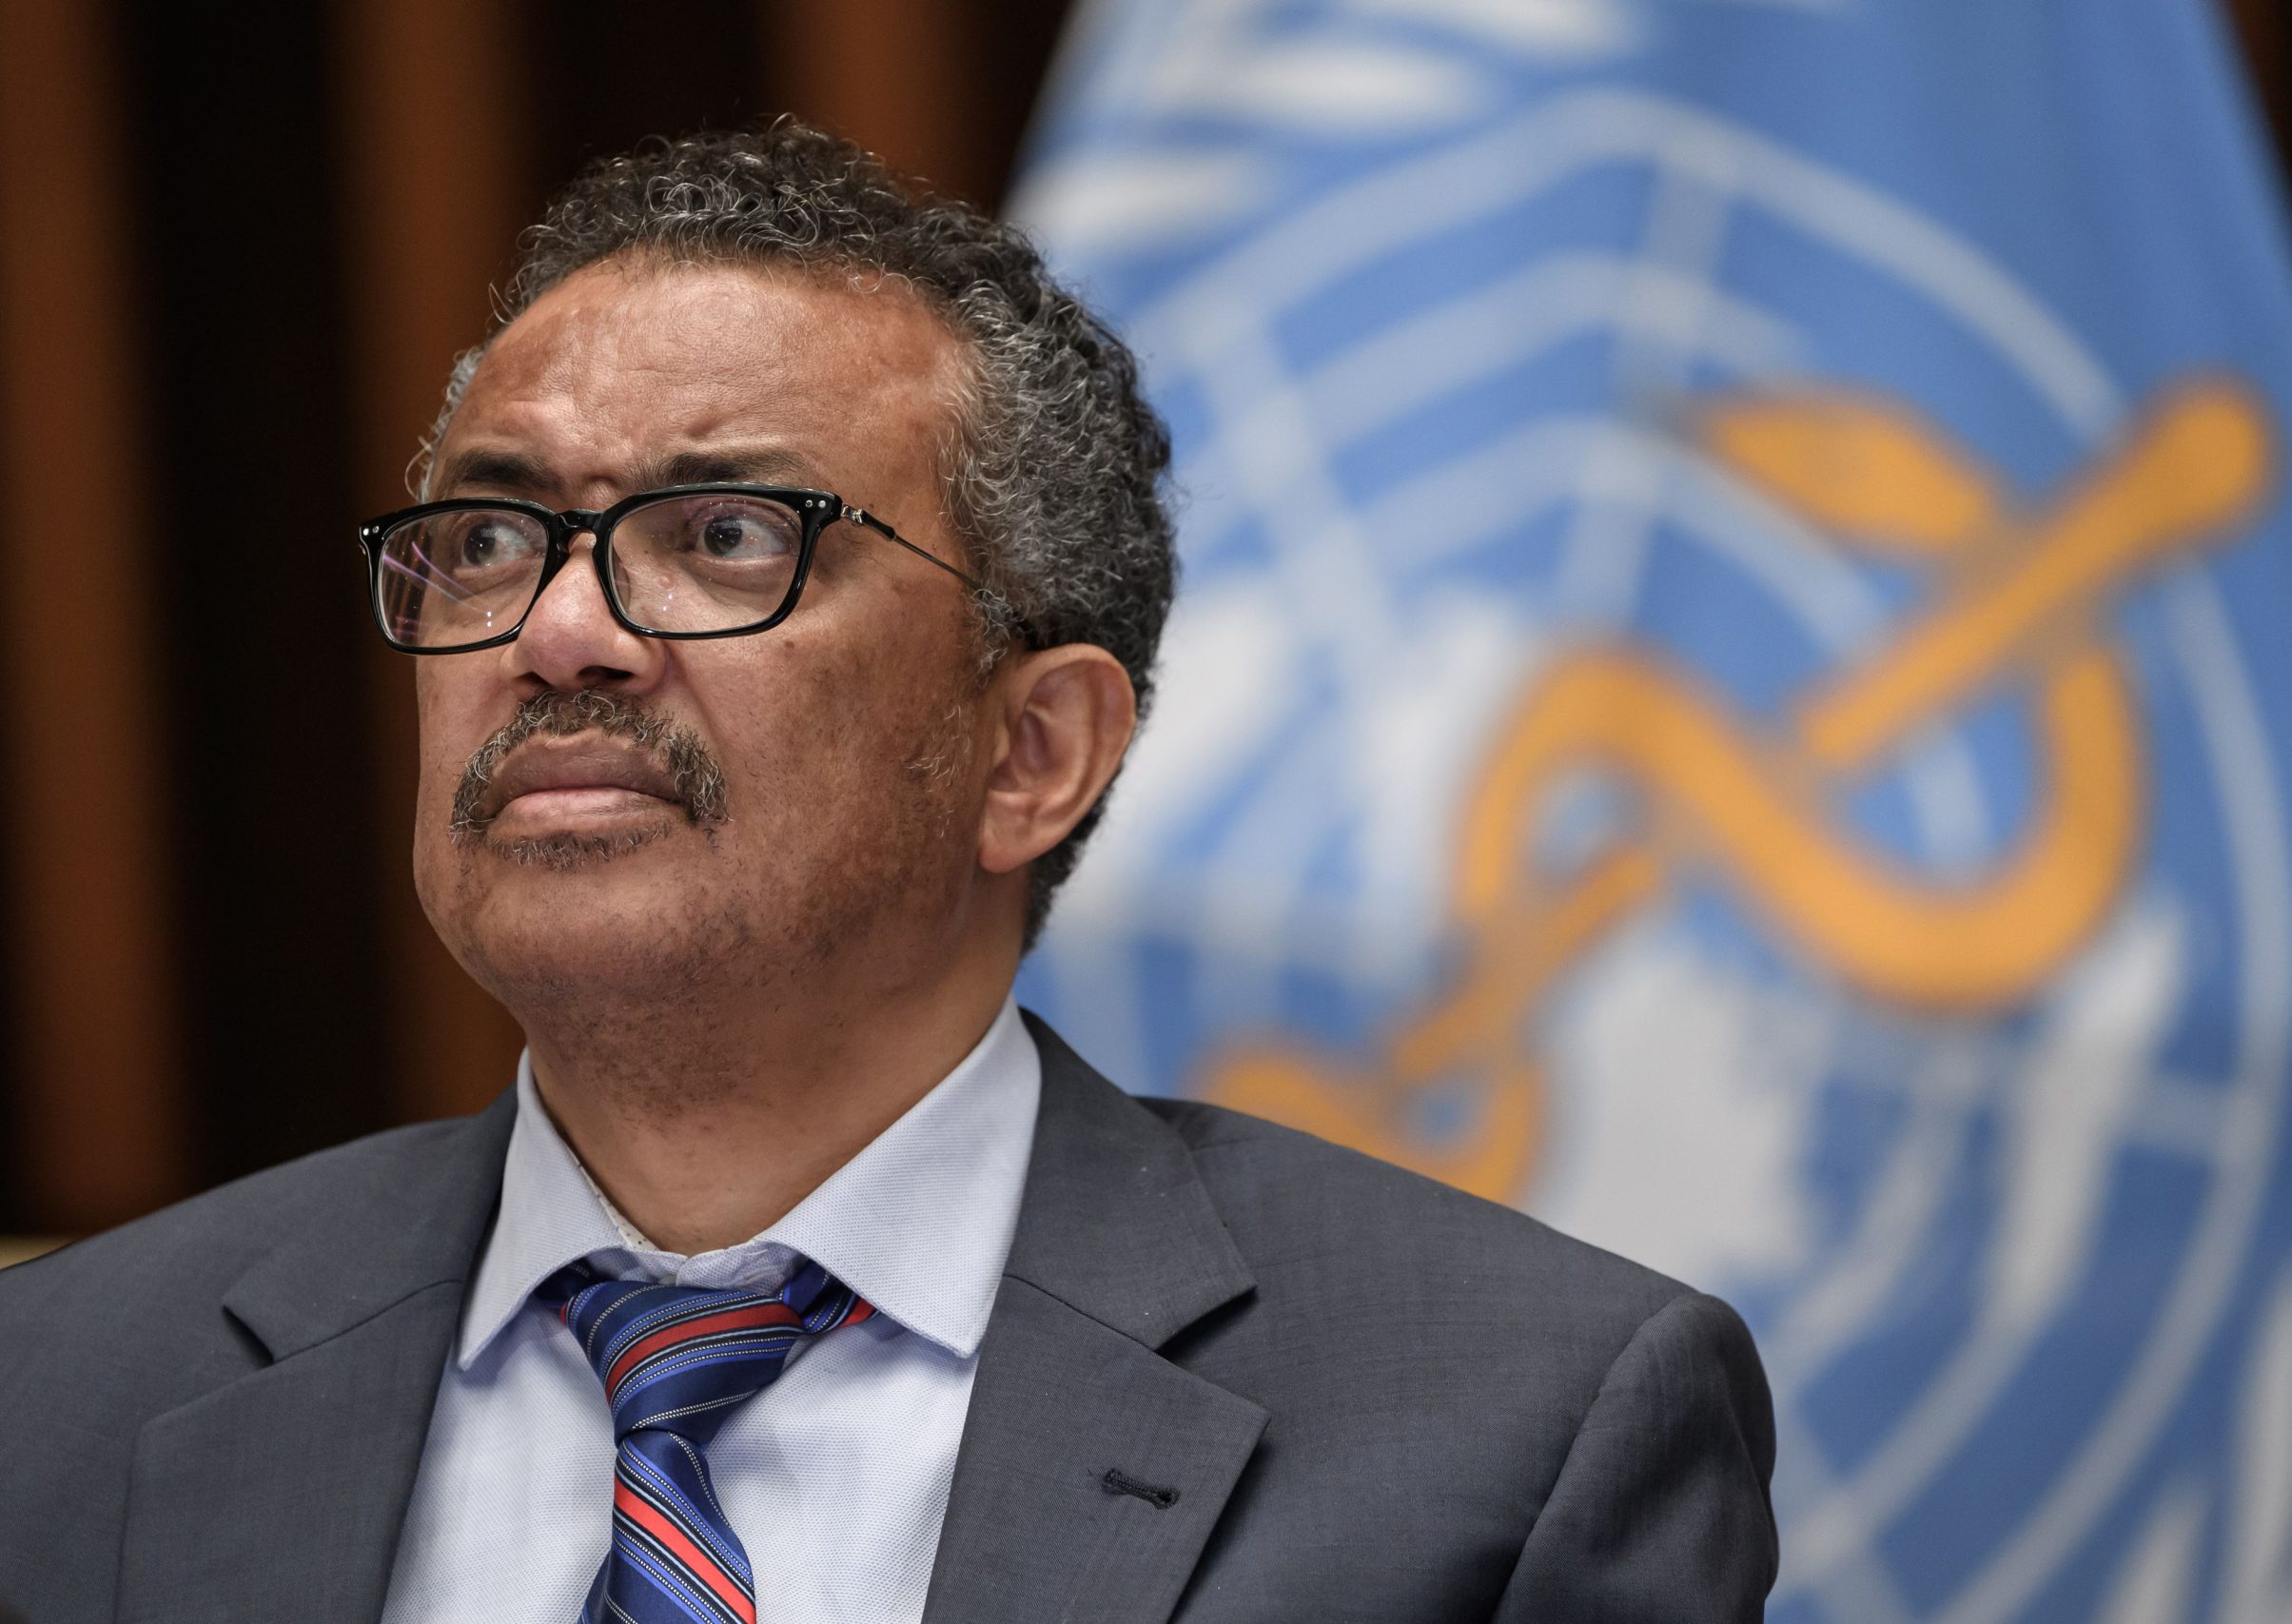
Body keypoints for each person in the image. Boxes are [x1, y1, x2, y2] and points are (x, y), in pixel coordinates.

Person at [0, 125, 1775, 1622]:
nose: (554, 630)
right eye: (487, 536)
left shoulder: (1512, 1430)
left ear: (1033, 753)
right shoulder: (62, 1394)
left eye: (724, 537)